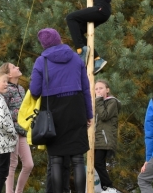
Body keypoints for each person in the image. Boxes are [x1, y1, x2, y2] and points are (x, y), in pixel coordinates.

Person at [30, 28, 93, 193]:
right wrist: (88, 114)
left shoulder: (41, 61)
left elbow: (35, 91)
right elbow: (86, 88)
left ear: (43, 44)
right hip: (76, 107)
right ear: (59, 39)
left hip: (53, 110)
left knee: (56, 158)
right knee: (78, 158)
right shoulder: (75, 58)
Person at [0, 62, 34, 193]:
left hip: (22, 131)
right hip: (11, 131)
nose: (18, 67)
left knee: (29, 164)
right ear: (8, 74)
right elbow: (2, 110)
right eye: (14, 67)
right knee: (12, 164)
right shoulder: (6, 89)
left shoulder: (21, 89)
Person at [94, 79, 121, 193]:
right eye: (96, 89)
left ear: (107, 90)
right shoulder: (97, 102)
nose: (98, 91)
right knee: (97, 164)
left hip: (105, 138)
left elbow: (104, 115)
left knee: (98, 163)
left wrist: (99, 100)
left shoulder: (112, 102)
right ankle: (104, 188)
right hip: (97, 138)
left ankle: (108, 187)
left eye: (101, 88)